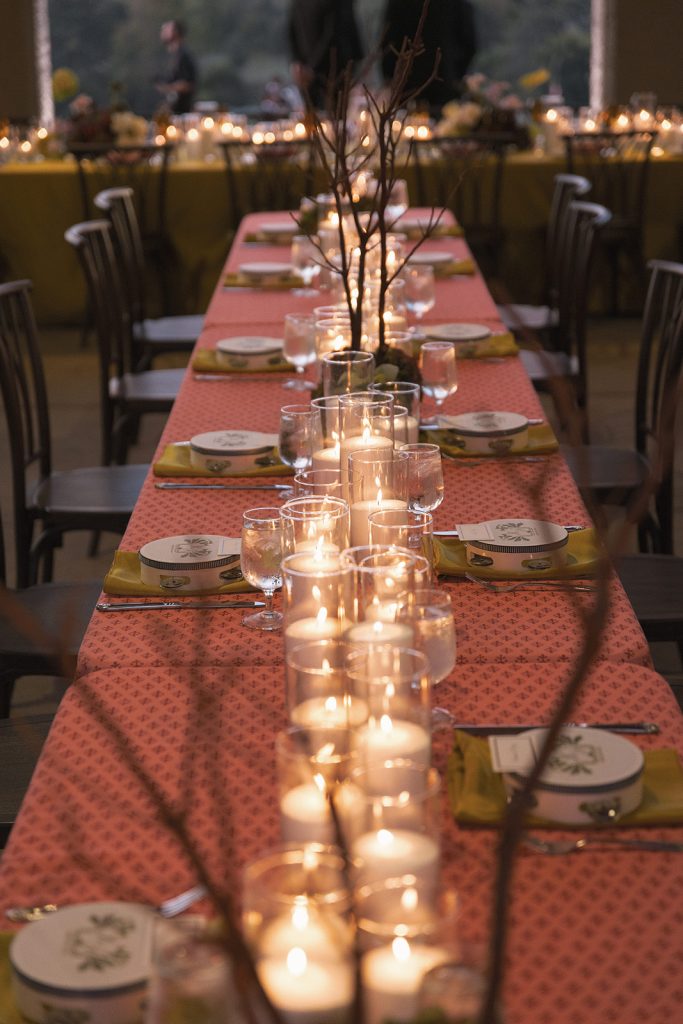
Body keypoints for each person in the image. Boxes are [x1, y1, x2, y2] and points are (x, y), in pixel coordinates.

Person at [381, 0, 477, 116]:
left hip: (408, 84)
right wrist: (456, 75)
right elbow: (469, 44)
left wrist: (392, 77)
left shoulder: (398, 3)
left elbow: (388, 44)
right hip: (445, 81)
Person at [288, 0, 364, 110]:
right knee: (312, 114)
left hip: (336, 66)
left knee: (336, 113)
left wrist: (312, 67)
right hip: (308, 68)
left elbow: (336, 31)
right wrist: (298, 62)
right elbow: (293, 29)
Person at [157, 19, 197, 115]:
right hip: (174, 109)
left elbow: (189, 83)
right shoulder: (173, 55)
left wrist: (168, 88)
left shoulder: (184, 55)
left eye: (167, 29)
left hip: (182, 111)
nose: (163, 31)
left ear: (176, 32)